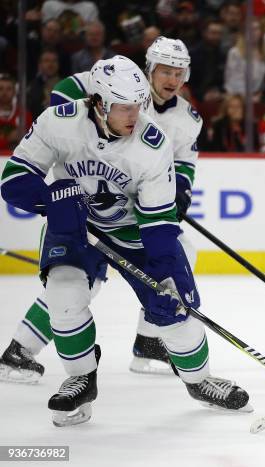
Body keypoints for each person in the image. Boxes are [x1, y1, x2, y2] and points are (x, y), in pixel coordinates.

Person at [0, 55, 250, 427]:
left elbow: (160, 224)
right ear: (98, 103)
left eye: (138, 105)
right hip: (74, 228)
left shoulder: (151, 145)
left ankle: (199, 381)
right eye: (123, 107)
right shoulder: (59, 122)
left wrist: (166, 275)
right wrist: (50, 198)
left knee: (174, 308)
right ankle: (81, 380)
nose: (134, 115)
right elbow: (13, 180)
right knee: (64, 293)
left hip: (133, 231)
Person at [0, 38, 204, 382]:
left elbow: (183, 164)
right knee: (76, 283)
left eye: (178, 72)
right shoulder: (118, 85)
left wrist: (179, 193)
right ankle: (21, 349)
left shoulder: (187, 118)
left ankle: (149, 341)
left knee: (177, 258)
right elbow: (69, 93)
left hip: (135, 214)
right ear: (148, 70)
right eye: (165, 71)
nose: (171, 79)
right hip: (93, 207)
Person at [224, 19, 265, 100]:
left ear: (261, 32)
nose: (253, 32)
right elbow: (233, 80)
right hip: (237, 98)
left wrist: (259, 94)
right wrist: (247, 98)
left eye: (256, 29)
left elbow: (264, 80)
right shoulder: (235, 52)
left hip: (255, 98)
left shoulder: (264, 53)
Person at [0, 74, 33, 151]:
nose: (4, 92)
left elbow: (32, 143)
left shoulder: (25, 115)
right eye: (0, 89)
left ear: (14, 92)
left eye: (8, 89)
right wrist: (8, 139)